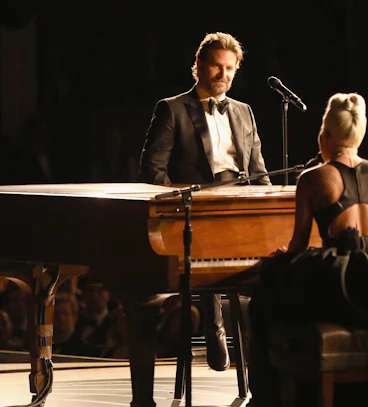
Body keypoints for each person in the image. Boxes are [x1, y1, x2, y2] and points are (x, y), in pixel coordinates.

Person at [245, 93, 368, 407]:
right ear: (360, 134)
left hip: (341, 282)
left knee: (265, 292)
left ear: (325, 135)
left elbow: (299, 244)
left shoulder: (313, 178)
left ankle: (271, 397)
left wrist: (282, 259)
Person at [137, 32, 271, 372]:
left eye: (230, 68)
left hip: (240, 204)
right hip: (197, 208)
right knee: (207, 241)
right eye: (216, 66)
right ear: (198, 65)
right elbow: (152, 170)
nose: (223, 74)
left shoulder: (245, 112)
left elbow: (259, 172)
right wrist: (177, 207)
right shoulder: (172, 108)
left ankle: (262, 339)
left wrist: (270, 211)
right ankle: (215, 326)